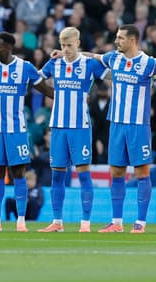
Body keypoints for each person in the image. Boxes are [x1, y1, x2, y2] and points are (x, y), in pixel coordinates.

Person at [0, 32, 53, 232]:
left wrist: (66, 97)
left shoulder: (25, 68)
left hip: (17, 130)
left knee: (19, 173)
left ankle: (21, 221)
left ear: (8, 48)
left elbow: (45, 89)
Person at [37, 27, 108, 233]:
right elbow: (35, 79)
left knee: (83, 174)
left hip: (80, 127)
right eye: (63, 45)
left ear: (78, 43)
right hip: (58, 127)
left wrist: (88, 53)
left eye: (69, 45)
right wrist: (52, 93)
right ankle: (57, 222)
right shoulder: (54, 63)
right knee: (57, 175)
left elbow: (113, 75)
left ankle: (85, 223)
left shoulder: (89, 64)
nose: (66, 49)